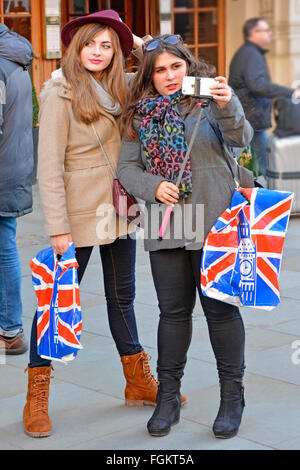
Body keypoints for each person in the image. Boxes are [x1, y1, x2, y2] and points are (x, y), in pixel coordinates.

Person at [23, 10, 185, 440]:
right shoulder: (59, 92)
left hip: (119, 208)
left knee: (123, 296)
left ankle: (137, 380)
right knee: (55, 302)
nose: (98, 51)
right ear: (77, 48)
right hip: (76, 214)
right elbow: (49, 168)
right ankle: (36, 392)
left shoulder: (122, 88)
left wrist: (136, 43)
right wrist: (57, 227)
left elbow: (159, 73)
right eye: (91, 43)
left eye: (107, 45)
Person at [118, 34, 253, 439]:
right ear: (150, 76)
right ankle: (168, 397)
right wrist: (154, 185)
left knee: (221, 311)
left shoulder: (212, 102)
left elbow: (241, 139)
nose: (169, 75)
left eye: (175, 66)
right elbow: (127, 169)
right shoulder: (141, 115)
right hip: (170, 219)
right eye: (159, 70)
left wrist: (227, 104)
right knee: (172, 313)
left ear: (188, 66)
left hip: (215, 218)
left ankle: (232, 396)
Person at [229, 17, 300, 178]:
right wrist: (290, 93)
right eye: (266, 30)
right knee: (266, 163)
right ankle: (272, 195)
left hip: (249, 116)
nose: (270, 33)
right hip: (251, 118)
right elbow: (257, 85)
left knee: (255, 159)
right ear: (254, 33)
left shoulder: (249, 52)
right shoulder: (250, 54)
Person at [0, 24, 34, 355]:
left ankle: (10, 329)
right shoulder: (15, 56)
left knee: (4, 249)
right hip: (14, 167)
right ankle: (9, 328)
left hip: (2, 171)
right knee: (4, 245)